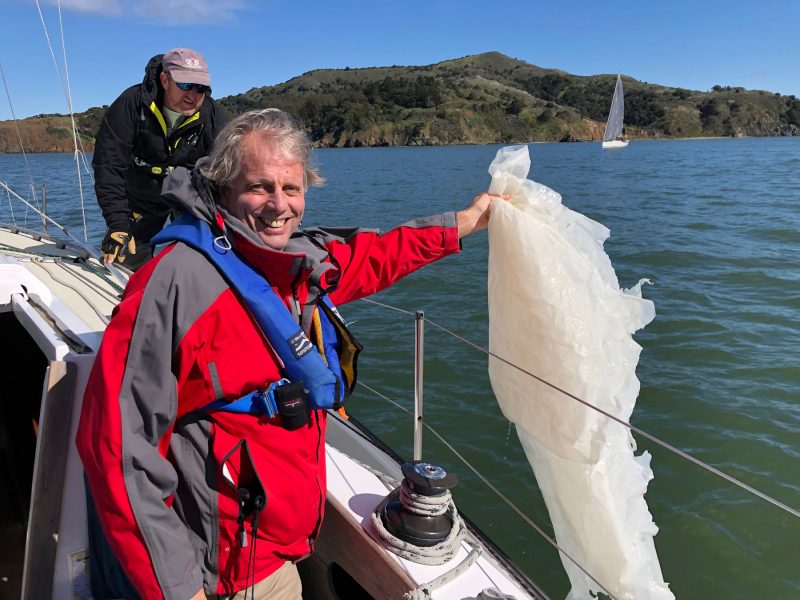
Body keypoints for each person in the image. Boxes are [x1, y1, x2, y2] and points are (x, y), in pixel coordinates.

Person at [77, 109, 506, 600]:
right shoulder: (174, 284)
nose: (279, 205)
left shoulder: (292, 265)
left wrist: (463, 225)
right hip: (217, 574)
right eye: (260, 187)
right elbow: (115, 448)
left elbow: (375, 256)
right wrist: (178, 588)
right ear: (223, 188)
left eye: (292, 189)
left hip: (277, 552)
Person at [92, 47, 229, 271]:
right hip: (140, 194)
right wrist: (117, 222)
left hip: (189, 195)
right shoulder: (132, 104)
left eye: (201, 88)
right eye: (185, 85)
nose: (193, 95)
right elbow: (109, 164)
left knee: (201, 262)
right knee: (126, 259)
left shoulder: (213, 116)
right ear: (165, 80)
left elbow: (229, 172)